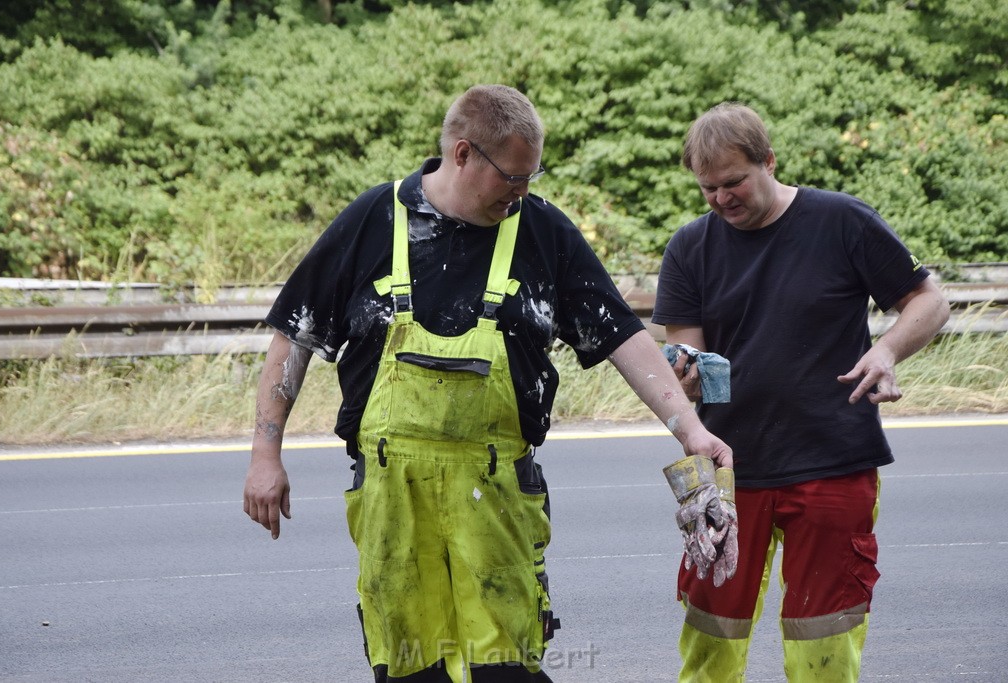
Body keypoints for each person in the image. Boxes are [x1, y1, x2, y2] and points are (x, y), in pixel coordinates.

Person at [243, 84, 733, 683]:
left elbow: (619, 336)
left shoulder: (543, 231)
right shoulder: (374, 221)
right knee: (409, 669)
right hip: (393, 497)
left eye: (533, 175)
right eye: (512, 176)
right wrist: (265, 453)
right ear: (463, 153)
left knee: (505, 669)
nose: (523, 191)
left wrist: (689, 429)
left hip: (497, 494)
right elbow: (295, 337)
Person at [652, 101, 951, 682]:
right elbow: (684, 358)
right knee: (711, 631)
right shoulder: (689, 248)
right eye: (707, 188)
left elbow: (929, 300)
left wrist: (886, 350)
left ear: (769, 160)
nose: (720, 198)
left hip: (833, 460)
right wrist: (683, 375)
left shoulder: (841, 221)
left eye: (734, 181)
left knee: (826, 634)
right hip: (726, 471)